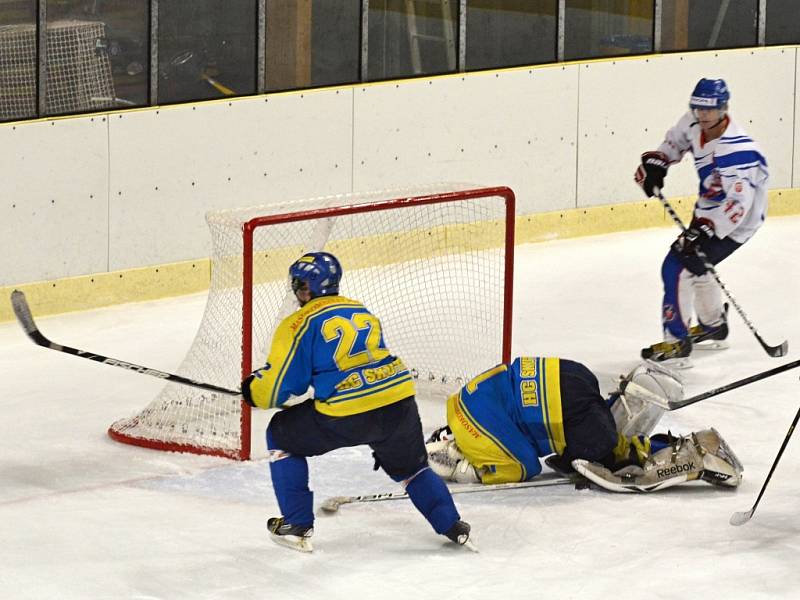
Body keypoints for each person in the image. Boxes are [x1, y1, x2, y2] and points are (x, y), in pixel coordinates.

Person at [241, 251, 472, 552]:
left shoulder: (297, 323)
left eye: (298, 284)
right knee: (411, 468)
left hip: (347, 414)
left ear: (306, 288)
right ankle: (451, 524)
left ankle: (296, 525)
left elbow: (280, 388)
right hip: (398, 402)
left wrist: (252, 390)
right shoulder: (359, 310)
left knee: (281, 434)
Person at [425, 356, 743, 493]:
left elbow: (523, 468)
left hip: (567, 412)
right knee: (601, 425)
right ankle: (622, 403)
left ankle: (701, 452)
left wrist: (475, 473)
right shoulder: (459, 401)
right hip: (571, 375)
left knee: (617, 458)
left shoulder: (475, 438)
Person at [634, 78, 769, 364]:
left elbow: (738, 205)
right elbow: (675, 142)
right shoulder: (694, 121)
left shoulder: (737, 150)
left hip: (737, 221)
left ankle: (677, 344)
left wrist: (708, 230)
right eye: (698, 108)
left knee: (677, 267)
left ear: (724, 108)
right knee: (696, 264)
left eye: (710, 110)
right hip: (708, 208)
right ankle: (713, 326)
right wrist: (657, 163)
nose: (703, 115)